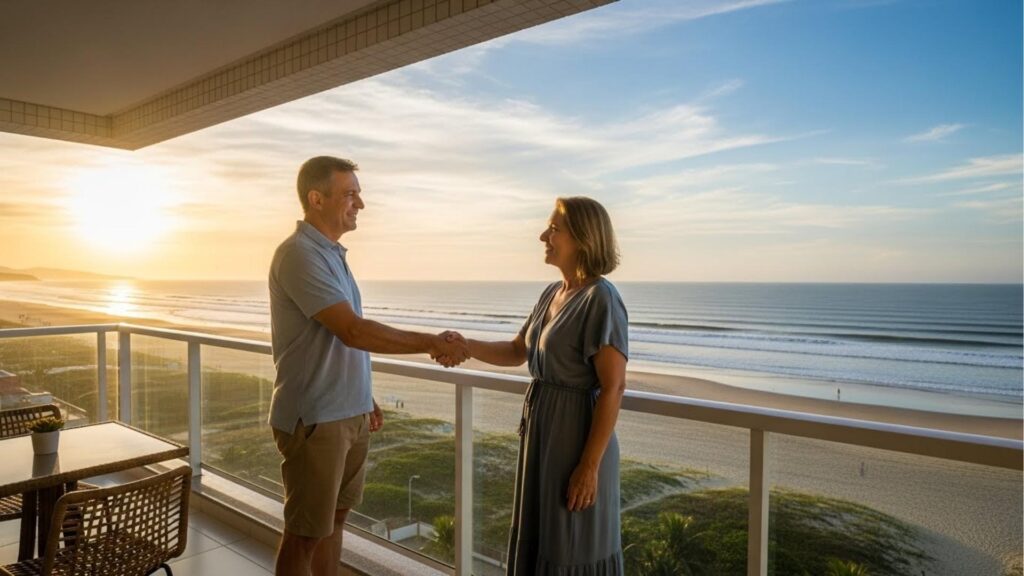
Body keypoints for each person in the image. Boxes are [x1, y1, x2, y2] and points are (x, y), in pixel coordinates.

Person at [268, 156, 469, 576]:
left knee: (335, 522)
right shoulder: (298, 254)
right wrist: (432, 342)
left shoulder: (332, 255)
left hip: (347, 412)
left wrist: (364, 395)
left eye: (358, 194)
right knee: (304, 534)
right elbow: (353, 331)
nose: (360, 203)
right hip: (316, 418)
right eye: (350, 194)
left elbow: (336, 339)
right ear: (316, 198)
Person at [446, 196, 628, 574]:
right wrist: (465, 346)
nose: (543, 235)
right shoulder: (553, 293)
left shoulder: (601, 299)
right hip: (543, 433)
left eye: (554, 228)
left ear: (583, 238)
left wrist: (589, 466)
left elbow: (613, 387)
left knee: (571, 543)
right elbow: (517, 350)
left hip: (575, 437)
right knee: (541, 535)